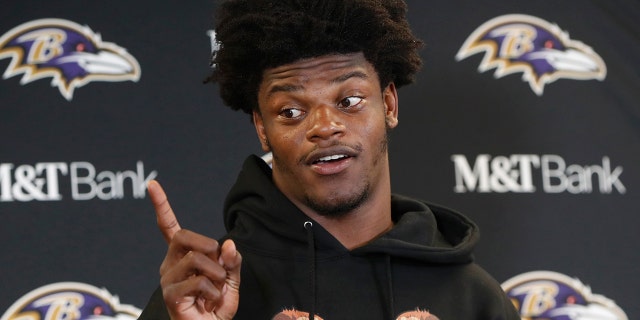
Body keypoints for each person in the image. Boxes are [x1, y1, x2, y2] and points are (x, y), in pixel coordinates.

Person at [138, 0, 521, 319]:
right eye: (290, 111)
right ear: (261, 126)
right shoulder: (205, 293)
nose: (324, 126)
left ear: (388, 103)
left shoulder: (473, 297)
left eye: (349, 101)